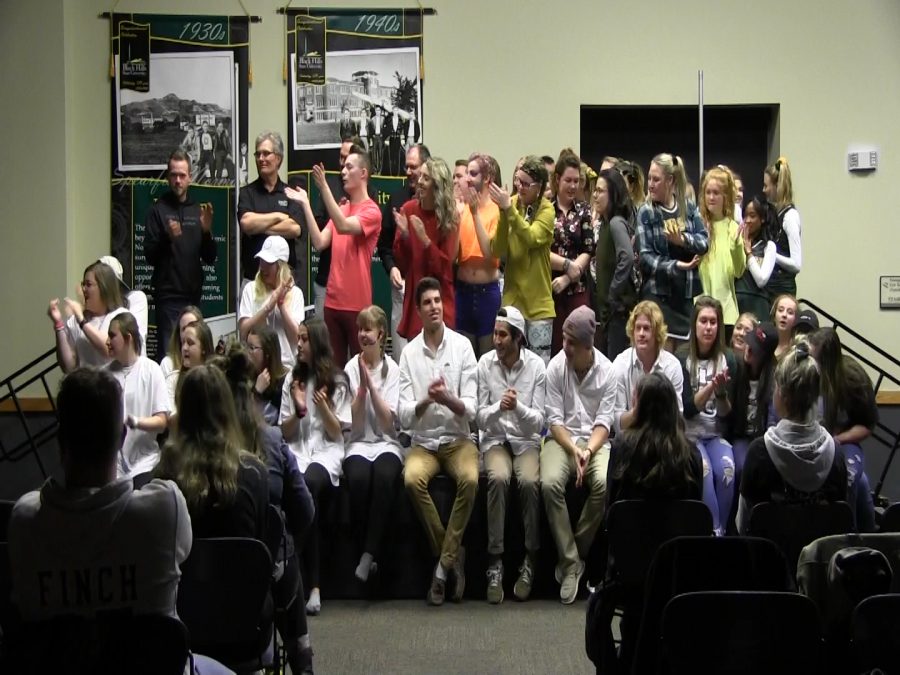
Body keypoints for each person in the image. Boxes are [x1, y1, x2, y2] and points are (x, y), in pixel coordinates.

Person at [213, 345, 316, 674]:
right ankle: (302, 656)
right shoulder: (273, 440)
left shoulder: (195, 459)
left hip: (205, 598)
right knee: (282, 542)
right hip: (265, 585)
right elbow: (305, 511)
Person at [399, 278, 478, 606]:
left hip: (459, 440)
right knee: (411, 479)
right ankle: (452, 556)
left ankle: (442, 570)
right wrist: (426, 401)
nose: (433, 307)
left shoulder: (462, 347)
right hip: (425, 442)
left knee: (471, 479)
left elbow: (471, 409)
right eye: (427, 303)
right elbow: (403, 416)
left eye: (437, 301)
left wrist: (448, 399)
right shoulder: (408, 353)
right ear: (418, 311)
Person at [542, 305, 615, 604]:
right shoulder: (556, 367)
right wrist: (573, 448)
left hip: (595, 442)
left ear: (589, 346)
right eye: (564, 339)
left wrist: (587, 450)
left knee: (603, 484)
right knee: (548, 484)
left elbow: (604, 423)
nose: (565, 347)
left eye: (572, 343)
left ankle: (573, 557)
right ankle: (573, 562)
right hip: (562, 440)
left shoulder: (608, 371)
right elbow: (554, 420)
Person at [279, 319, 351, 615]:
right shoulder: (291, 380)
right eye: (298, 339)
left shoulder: (338, 380)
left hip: (326, 453)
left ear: (317, 343)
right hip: (298, 450)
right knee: (302, 491)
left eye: (304, 339)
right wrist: (299, 409)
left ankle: (295, 567)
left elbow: (337, 433)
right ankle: (312, 586)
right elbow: (285, 431)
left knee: (308, 486)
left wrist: (323, 408)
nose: (298, 344)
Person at [736, 344, 847, 535]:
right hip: (816, 562)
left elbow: (743, 525)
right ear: (815, 395)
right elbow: (839, 523)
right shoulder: (835, 454)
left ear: (782, 394)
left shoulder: (759, 452)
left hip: (769, 560)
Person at [476, 306, 546, 604]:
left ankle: (530, 559)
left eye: (503, 335)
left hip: (525, 440)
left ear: (518, 338)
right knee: (498, 477)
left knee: (530, 481)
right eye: (495, 333)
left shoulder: (536, 367)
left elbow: (541, 422)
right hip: (494, 440)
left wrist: (517, 408)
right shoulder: (484, 364)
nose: (497, 340)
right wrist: (497, 408)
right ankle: (495, 562)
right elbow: (478, 418)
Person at [287, 151, 381, 366]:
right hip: (332, 303)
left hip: (358, 306)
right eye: (343, 167)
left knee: (361, 369)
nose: (343, 172)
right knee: (333, 368)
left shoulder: (372, 211)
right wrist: (305, 204)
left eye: (349, 167)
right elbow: (319, 242)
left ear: (364, 173)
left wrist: (324, 188)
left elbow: (344, 226)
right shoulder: (342, 208)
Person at [342, 306, 404, 583]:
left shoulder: (394, 370)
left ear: (381, 334)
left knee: (384, 476)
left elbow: (389, 423)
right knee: (356, 478)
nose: (363, 335)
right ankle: (366, 553)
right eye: (360, 329)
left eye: (368, 329)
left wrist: (372, 387)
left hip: (386, 443)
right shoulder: (349, 368)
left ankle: (370, 555)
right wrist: (361, 390)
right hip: (358, 443)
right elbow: (353, 425)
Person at [144, 149, 217, 359]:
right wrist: (168, 237)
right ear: (168, 177)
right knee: (169, 356)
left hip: (193, 298)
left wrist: (206, 234)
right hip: (167, 298)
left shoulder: (198, 210)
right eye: (174, 175)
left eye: (182, 175)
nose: (178, 180)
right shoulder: (157, 210)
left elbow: (210, 257)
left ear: (190, 177)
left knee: (194, 357)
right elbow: (149, 255)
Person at [676, 297, 739, 535]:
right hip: (690, 435)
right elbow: (688, 409)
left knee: (727, 472)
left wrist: (721, 395)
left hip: (715, 435)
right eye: (703, 321)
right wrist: (712, 386)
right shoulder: (682, 358)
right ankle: (713, 531)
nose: (709, 327)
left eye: (713, 322)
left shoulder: (728, 359)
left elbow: (727, 415)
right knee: (704, 472)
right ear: (694, 325)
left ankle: (720, 533)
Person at [807, 328, 878, 531]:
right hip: (812, 441)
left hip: (844, 442)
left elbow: (867, 425)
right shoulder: (806, 373)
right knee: (862, 484)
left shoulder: (853, 379)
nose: (811, 363)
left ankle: (848, 536)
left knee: (850, 477)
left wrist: (837, 439)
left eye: (815, 358)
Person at [637, 153, 709, 347]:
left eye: (656, 179)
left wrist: (682, 240)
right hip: (658, 296)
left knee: (682, 359)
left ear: (670, 180)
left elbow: (704, 243)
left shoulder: (689, 208)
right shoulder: (647, 212)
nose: (650, 184)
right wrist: (676, 265)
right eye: (649, 178)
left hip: (684, 297)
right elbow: (645, 257)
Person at [489, 155, 556, 364]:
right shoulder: (511, 204)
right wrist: (503, 212)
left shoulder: (547, 209)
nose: (520, 187)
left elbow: (531, 238)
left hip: (538, 306)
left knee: (538, 367)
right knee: (507, 361)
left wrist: (508, 210)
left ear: (540, 186)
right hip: (512, 302)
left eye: (526, 184)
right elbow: (498, 250)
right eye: (518, 181)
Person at [393, 157, 460, 341]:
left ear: (437, 185)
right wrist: (406, 236)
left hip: (440, 300)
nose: (419, 182)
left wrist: (425, 240)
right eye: (420, 176)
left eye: (426, 178)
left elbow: (446, 269)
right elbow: (401, 261)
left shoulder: (450, 217)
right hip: (416, 298)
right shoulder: (408, 209)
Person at [378, 143, 431, 359]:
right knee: (403, 354)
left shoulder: (437, 202)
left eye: (413, 167)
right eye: (406, 167)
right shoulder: (397, 200)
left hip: (429, 286)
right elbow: (384, 245)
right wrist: (391, 268)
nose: (408, 172)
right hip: (401, 287)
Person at [104, 312, 169, 480]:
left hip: (145, 464)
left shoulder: (151, 370)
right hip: (113, 467)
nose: (107, 342)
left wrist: (137, 422)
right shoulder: (105, 376)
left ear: (128, 338)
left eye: (112, 336)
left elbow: (162, 422)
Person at [238, 131, 304, 284]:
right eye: (258, 154)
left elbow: (294, 229)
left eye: (266, 153)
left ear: (278, 158)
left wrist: (258, 227)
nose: (261, 158)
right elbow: (246, 224)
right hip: (253, 281)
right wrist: (278, 216)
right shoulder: (246, 193)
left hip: (284, 282)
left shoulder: (290, 193)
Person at [610, 301, 684, 433]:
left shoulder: (672, 366)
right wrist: (636, 412)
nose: (641, 334)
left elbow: (677, 418)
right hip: (630, 438)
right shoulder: (620, 364)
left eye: (646, 328)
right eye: (637, 328)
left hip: (662, 437)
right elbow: (617, 424)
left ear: (657, 333)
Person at [456, 152, 503, 358]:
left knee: (487, 358)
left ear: (487, 179)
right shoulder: (461, 209)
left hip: (487, 294)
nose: (467, 178)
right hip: (463, 292)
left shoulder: (496, 210)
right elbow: (452, 256)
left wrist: (474, 213)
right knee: (464, 359)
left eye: (473, 173)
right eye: (466, 173)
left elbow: (490, 253)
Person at [549, 151, 595, 355]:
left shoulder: (584, 210)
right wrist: (567, 265)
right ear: (558, 179)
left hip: (577, 288)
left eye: (576, 181)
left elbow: (588, 249)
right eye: (568, 180)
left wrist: (568, 276)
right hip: (551, 289)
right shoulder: (546, 210)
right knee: (557, 347)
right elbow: (542, 253)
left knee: (580, 346)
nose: (573, 186)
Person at [48, 260, 129, 372]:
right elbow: (68, 366)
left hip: (111, 385)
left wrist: (82, 321)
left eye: (89, 284)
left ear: (103, 287)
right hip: (85, 385)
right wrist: (58, 325)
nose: (84, 289)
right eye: (83, 284)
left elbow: (107, 350)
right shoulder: (75, 320)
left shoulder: (120, 315)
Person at [238, 235, 305, 369]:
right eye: (262, 260)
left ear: (281, 267)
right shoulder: (250, 289)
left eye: (269, 263)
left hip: (286, 366)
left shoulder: (296, 293)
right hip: (256, 365)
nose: (263, 267)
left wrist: (281, 305)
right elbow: (243, 331)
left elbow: (296, 339)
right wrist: (268, 307)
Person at [730, 321, 779, 500]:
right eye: (750, 342)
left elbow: (773, 423)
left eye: (755, 348)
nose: (749, 349)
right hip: (741, 435)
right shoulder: (737, 369)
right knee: (742, 467)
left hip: (763, 438)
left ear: (765, 355)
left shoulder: (774, 380)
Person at [593, 167, 638, 359]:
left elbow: (626, 258)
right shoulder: (604, 225)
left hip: (618, 314)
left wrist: (613, 294)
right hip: (609, 314)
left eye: (601, 191)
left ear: (613, 195)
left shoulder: (615, 223)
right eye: (595, 190)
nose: (595, 195)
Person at [698, 166, 745, 333]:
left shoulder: (733, 227)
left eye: (716, 193)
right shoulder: (697, 226)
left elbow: (739, 271)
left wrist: (737, 246)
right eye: (708, 192)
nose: (711, 197)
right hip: (700, 309)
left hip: (726, 313)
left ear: (725, 197)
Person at [763, 157, 802, 299]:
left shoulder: (790, 216)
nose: (764, 190)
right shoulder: (777, 214)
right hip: (772, 287)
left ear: (777, 186)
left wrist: (771, 255)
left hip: (783, 292)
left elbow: (796, 264)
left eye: (766, 186)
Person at [735, 195, 778, 320]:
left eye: (752, 216)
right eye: (745, 216)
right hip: (737, 302)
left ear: (762, 219)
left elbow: (761, 280)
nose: (747, 220)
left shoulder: (768, 246)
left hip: (758, 305)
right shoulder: (736, 241)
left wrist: (749, 253)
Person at [166, 318, 213, 411]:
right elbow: (169, 417)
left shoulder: (216, 381)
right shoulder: (172, 380)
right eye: (183, 342)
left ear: (204, 348)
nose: (184, 348)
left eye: (190, 343)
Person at [247, 324, 289, 426]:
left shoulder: (284, 382)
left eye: (252, 348)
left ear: (267, 353)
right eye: (247, 346)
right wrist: (256, 391)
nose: (248, 352)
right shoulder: (245, 375)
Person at [159, 305, 203, 380]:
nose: (187, 332)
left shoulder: (211, 368)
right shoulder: (168, 364)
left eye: (192, 327)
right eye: (183, 329)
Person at [770, 293, 799, 360]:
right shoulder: (765, 344)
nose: (784, 315)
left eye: (790, 312)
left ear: (796, 319)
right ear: (774, 315)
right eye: (780, 310)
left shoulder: (796, 349)